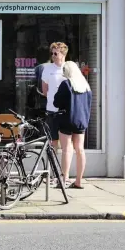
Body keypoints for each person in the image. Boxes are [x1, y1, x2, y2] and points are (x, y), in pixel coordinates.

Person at [53, 61, 92, 189]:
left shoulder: (66, 84)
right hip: (81, 121)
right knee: (80, 150)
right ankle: (79, 181)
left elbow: (56, 102)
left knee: (66, 149)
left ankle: (64, 179)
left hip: (67, 119)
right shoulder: (85, 86)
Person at [41, 42, 68, 148]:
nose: (53, 56)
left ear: (63, 54)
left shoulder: (70, 68)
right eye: (52, 53)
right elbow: (45, 91)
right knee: (53, 140)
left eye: (55, 54)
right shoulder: (47, 69)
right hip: (52, 109)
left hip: (67, 110)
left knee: (67, 142)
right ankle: (52, 164)